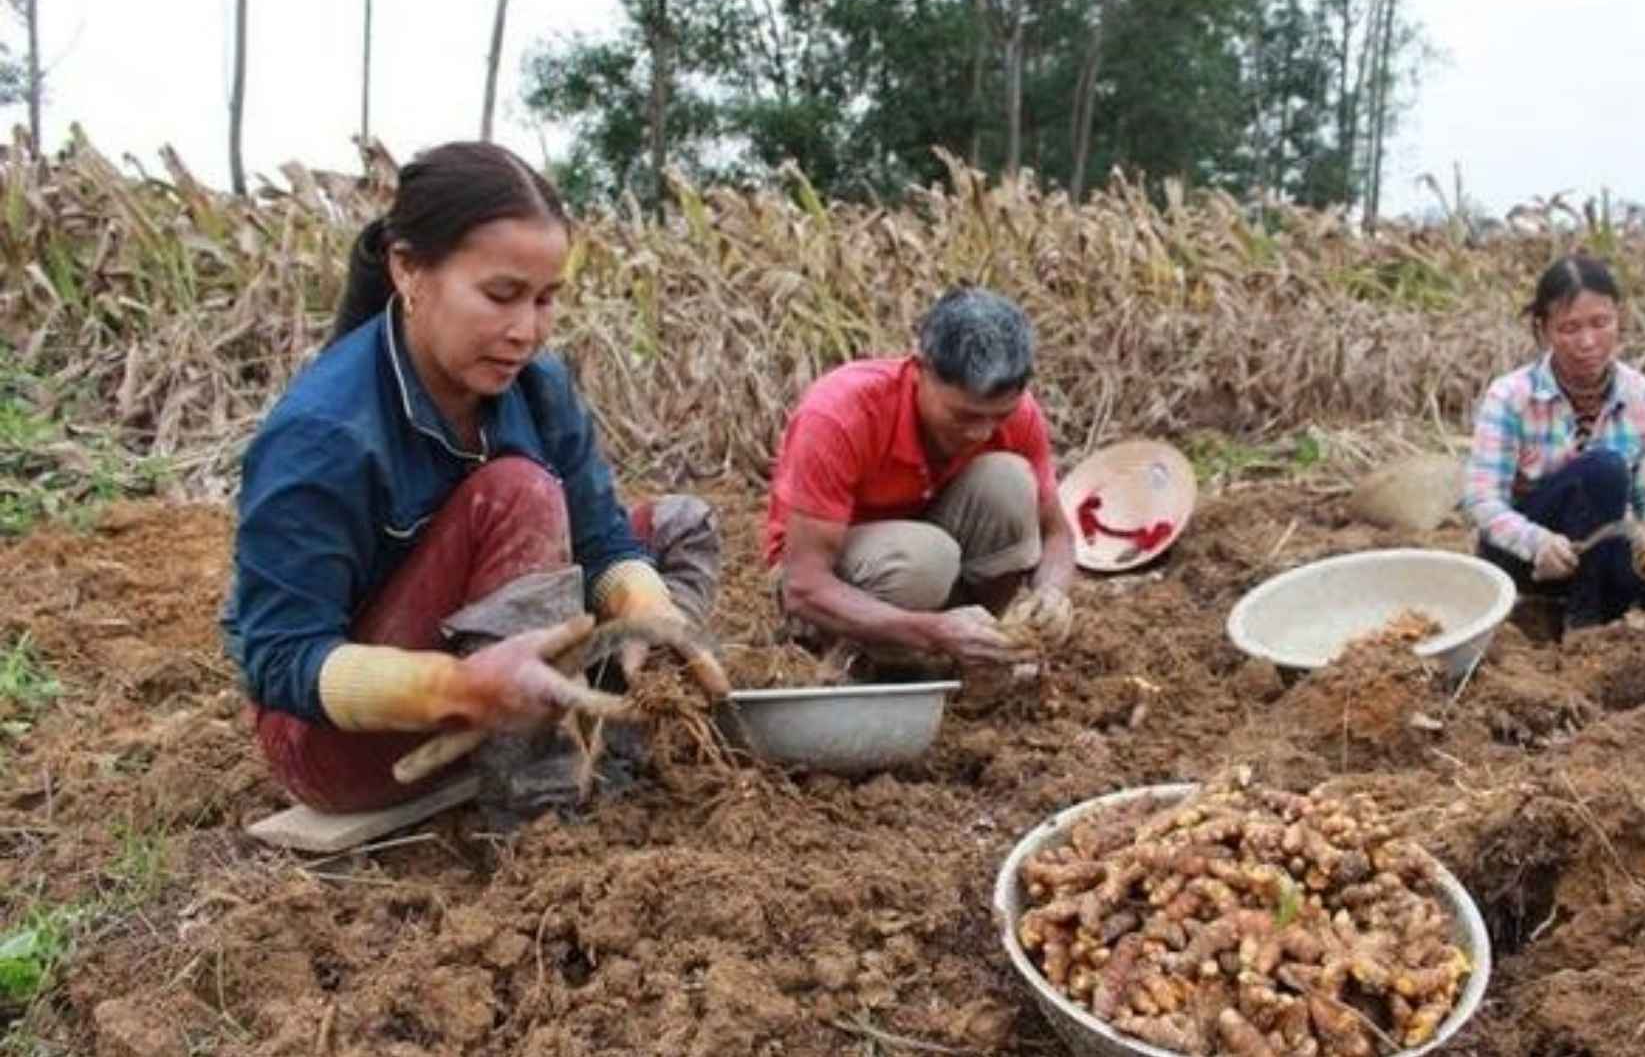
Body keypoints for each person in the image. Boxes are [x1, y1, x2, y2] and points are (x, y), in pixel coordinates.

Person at [223, 141, 725, 815]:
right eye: (501, 295)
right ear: (408, 270)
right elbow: (280, 658)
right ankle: (540, 809)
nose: (527, 330)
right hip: (345, 744)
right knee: (518, 494)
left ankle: (636, 734)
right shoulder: (324, 433)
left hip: (491, 675)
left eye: (547, 300)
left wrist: (651, 618)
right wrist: (456, 687)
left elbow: (602, 542)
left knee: (677, 525)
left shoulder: (538, 388)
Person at [764, 287, 1077, 668]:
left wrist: (1051, 594)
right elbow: (804, 585)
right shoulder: (839, 415)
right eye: (964, 416)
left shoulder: (1019, 415)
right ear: (919, 371)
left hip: (924, 576)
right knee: (926, 558)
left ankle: (980, 648)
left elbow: (1057, 533)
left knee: (1008, 482)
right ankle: (861, 661)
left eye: (998, 416)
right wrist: (933, 632)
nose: (981, 432)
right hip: (830, 589)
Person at [1463, 254, 1645, 628]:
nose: (1587, 342)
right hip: (1525, 559)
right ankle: (1586, 621)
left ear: (1619, 319)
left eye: (1600, 323)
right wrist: (1537, 541)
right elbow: (1483, 502)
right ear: (1543, 330)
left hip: (1599, 549)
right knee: (1603, 470)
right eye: (1569, 328)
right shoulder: (1509, 396)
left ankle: (1588, 606)